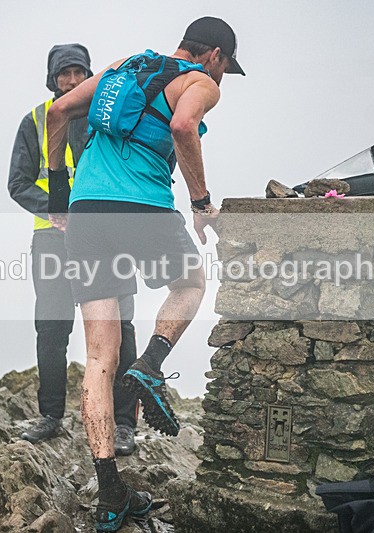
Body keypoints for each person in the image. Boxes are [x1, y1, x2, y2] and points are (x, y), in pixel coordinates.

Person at [45, 17, 244, 532]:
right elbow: (182, 127)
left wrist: (58, 193)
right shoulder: (198, 81)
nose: (222, 79)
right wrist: (201, 202)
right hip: (142, 207)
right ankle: (152, 364)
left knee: (96, 358)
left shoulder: (124, 65)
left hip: (86, 213)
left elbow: (60, 110)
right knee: (192, 281)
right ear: (216, 55)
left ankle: (110, 493)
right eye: (226, 69)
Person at [7, 43, 139, 456]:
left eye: (79, 71)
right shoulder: (34, 121)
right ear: (52, 78)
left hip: (107, 234)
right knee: (51, 327)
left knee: (122, 326)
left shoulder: (105, 115)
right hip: (51, 237)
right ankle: (50, 416)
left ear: (89, 74)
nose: (72, 79)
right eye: (64, 73)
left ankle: (123, 424)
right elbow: (18, 183)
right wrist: (57, 210)